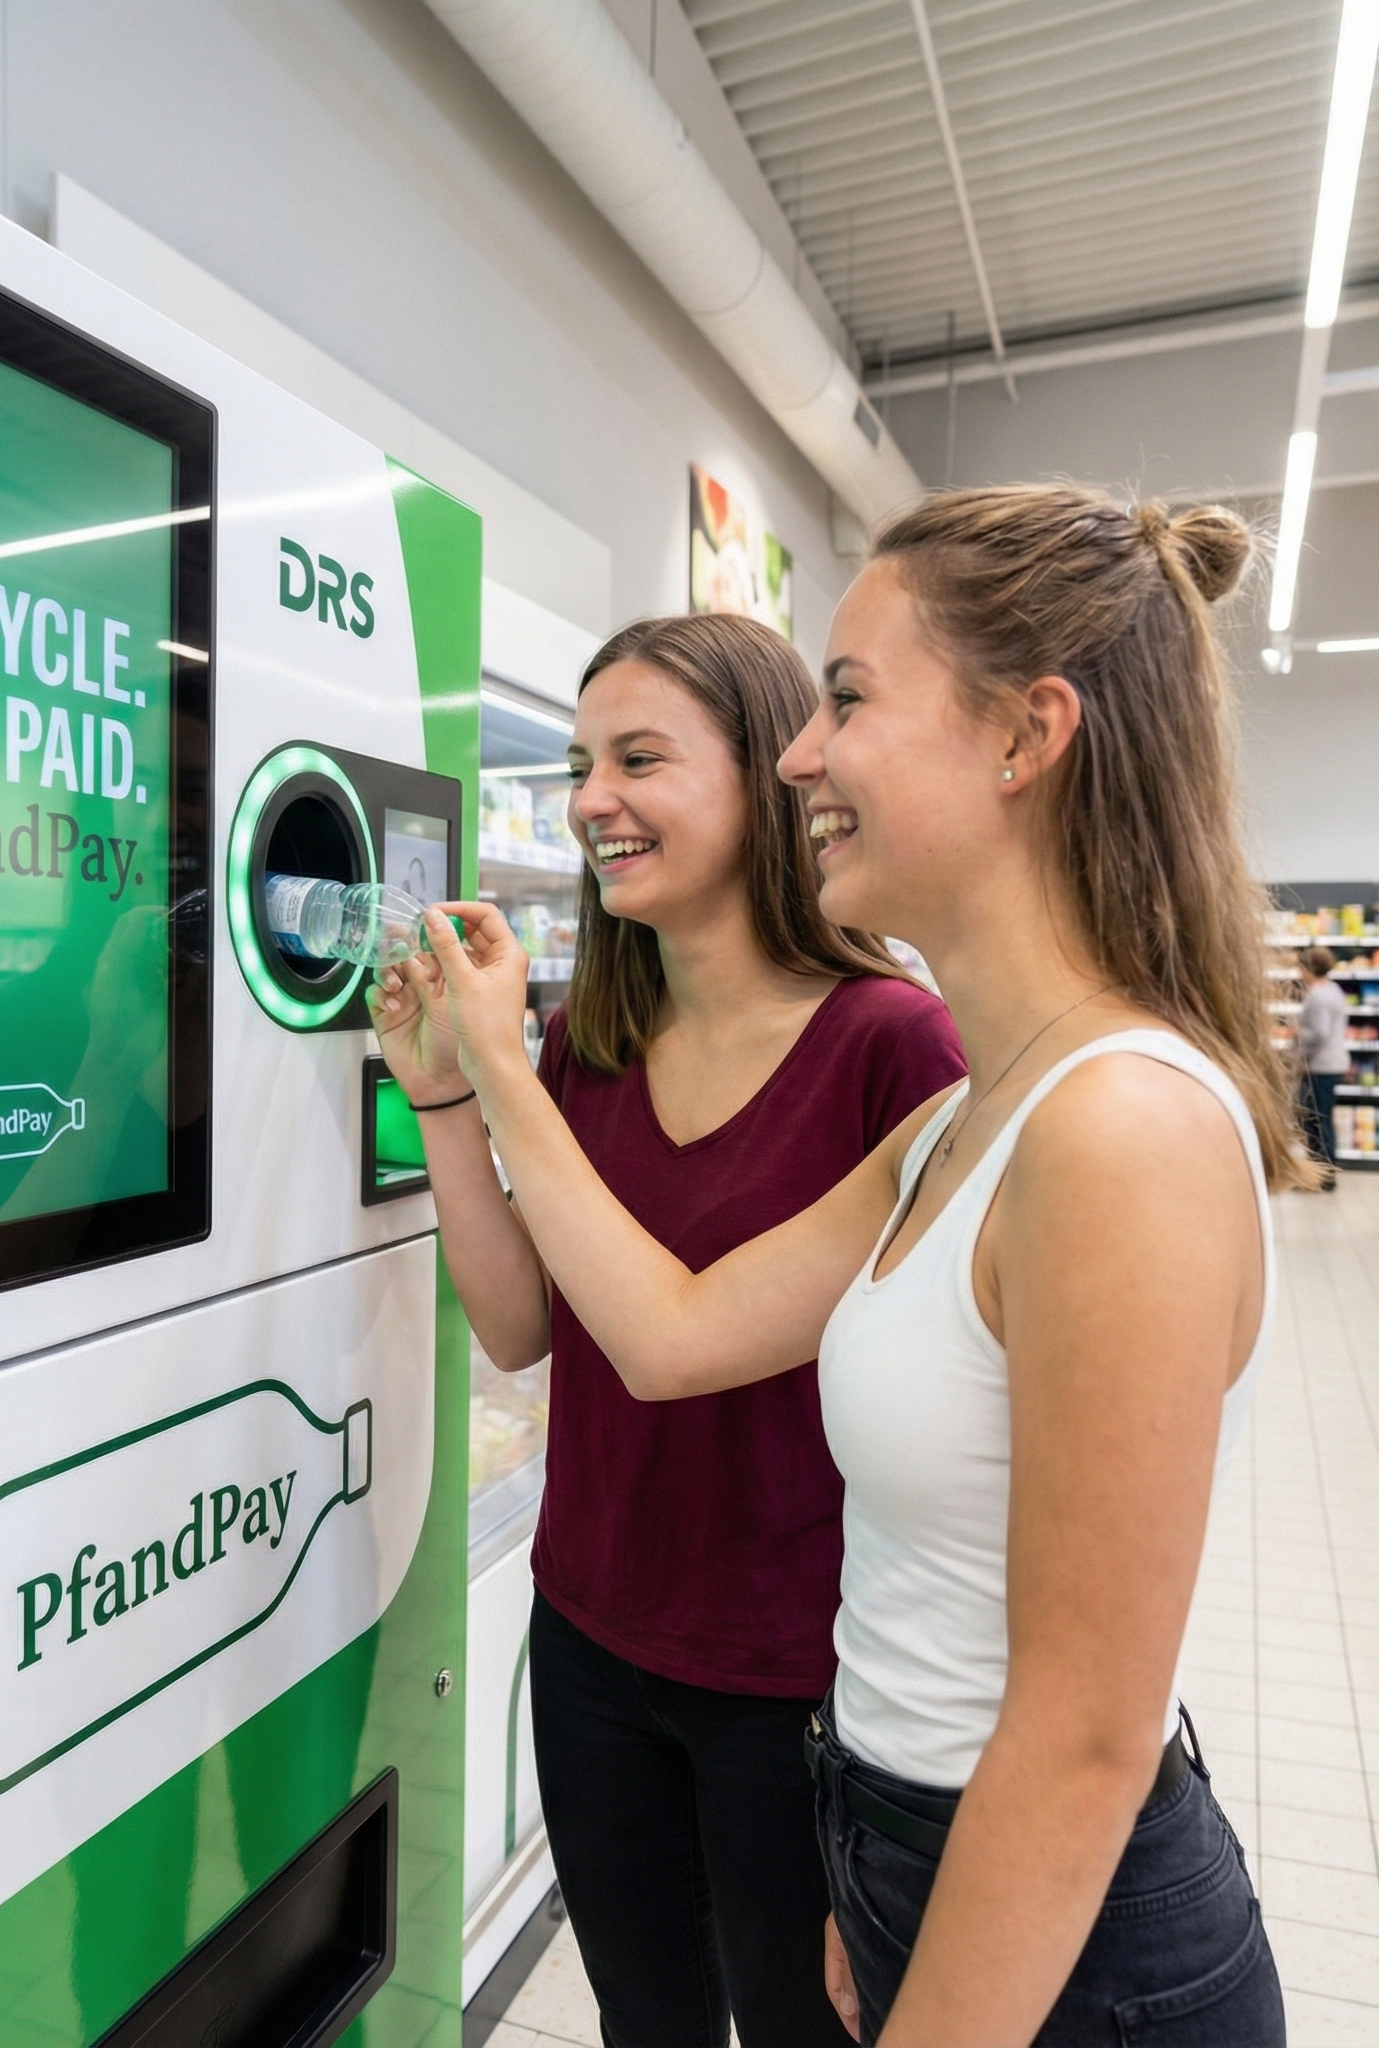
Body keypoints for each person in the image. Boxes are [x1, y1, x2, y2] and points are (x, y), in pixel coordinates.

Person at [392, 487, 1300, 2044]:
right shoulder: (966, 1119)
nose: (809, 752)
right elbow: (663, 1338)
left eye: (850, 701)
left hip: (1031, 1911)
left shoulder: (1110, 1129)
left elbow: (1084, 1737)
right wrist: (459, 1094)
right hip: (874, 1820)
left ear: (1027, 736)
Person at [370, 613, 963, 2048]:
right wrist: (449, 1093)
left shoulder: (894, 1049)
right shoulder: (589, 1045)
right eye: (580, 764)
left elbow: (673, 1343)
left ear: (770, 777)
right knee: (648, 2022)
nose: (588, 802)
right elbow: (522, 1330)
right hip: (591, 1643)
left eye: (640, 758)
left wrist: (501, 1068)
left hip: (798, 1682)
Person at [1295, 945, 1349, 1183]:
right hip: (1329, 1064)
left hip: (1320, 1066)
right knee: (1321, 1119)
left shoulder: (1319, 996)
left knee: (1316, 1120)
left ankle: (1322, 1175)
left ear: (1309, 968)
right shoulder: (1333, 990)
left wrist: (1296, 1036)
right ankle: (1323, 1172)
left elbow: (1318, 1033)